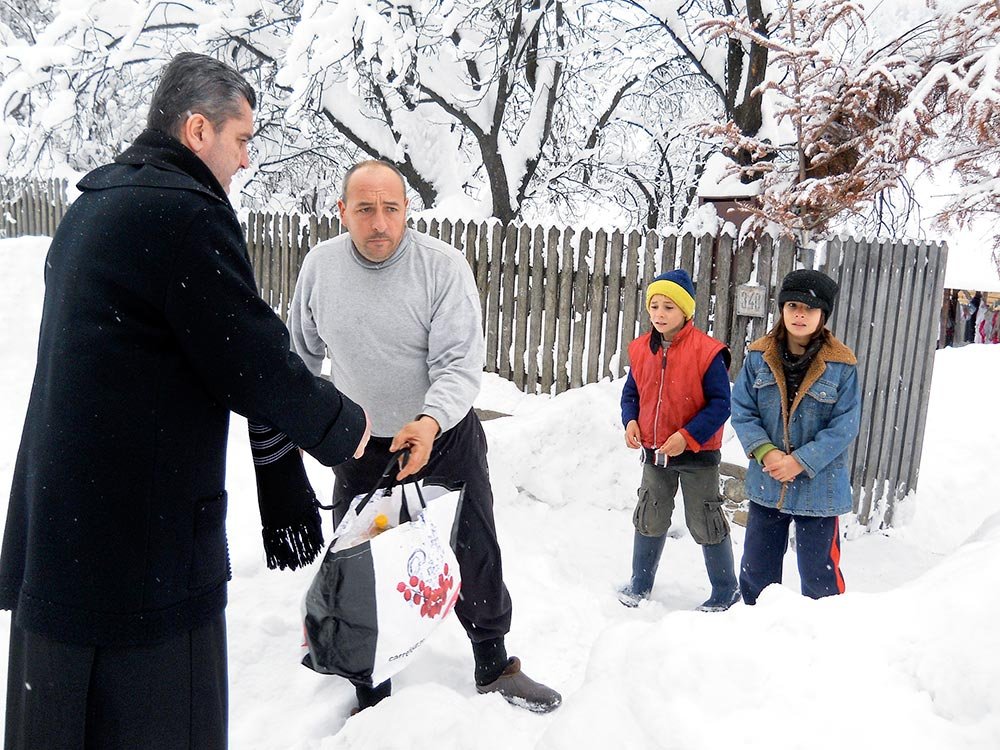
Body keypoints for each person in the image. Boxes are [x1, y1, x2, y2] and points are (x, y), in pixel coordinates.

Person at [0, 53, 369, 749]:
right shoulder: (183, 213)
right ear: (198, 131)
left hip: (66, 546)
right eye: (242, 139)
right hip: (143, 563)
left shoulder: (94, 206)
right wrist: (345, 426)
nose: (248, 159)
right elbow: (251, 357)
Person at [287, 160, 561, 714]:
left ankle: (492, 661)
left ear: (407, 209)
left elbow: (460, 365)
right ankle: (370, 681)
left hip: (445, 437)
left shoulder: (441, 267)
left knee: (472, 548)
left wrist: (431, 421)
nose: (380, 222)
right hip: (362, 447)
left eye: (392, 207)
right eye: (365, 208)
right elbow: (301, 356)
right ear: (342, 212)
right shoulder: (320, 268)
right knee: (360, 559)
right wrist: (321, 424)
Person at [730, 269, 861, 605]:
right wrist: (767, 453)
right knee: (756, 574)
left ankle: (821, 643)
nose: (800, 314)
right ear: (782, 309)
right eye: (792, 306)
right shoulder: (759, 357)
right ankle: (756, 637)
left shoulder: (842, 365)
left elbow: (845, 426)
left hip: (819, 490)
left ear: (823, 315)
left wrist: (800, 461)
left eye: (810, 309)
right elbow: (743, 410)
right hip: (768, 483)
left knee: (821, 580)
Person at [618, 269, 739, 612]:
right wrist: (630, 421)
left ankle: (725, 589)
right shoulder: (641, 349)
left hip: (697, 457)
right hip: (655, 455)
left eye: (668, 307)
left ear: (685, 311)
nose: (659, 314)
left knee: (705, 520)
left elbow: (720, 405)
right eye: (654, 306)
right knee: (649, 515)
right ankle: (640, 583)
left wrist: (688, 437)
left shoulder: (708, 352)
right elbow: (632, 393)